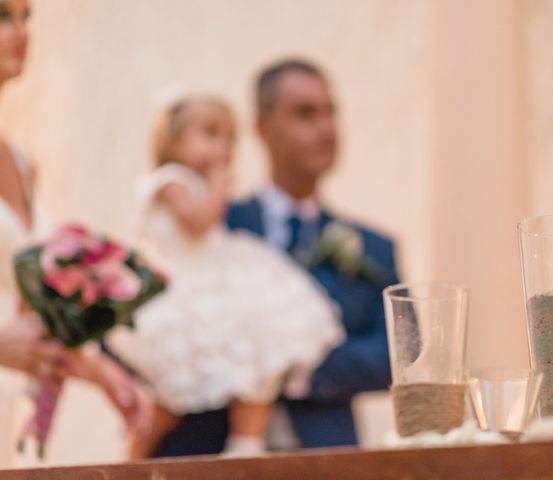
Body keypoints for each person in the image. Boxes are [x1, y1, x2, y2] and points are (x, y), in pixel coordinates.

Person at [153, 59, 400, 454]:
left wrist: (293, 365)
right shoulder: (215, 228)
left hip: (322, 458)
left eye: (330, 112)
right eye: (305, 113)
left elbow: (398, 353)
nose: (326, 128)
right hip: (204, 455)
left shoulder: (372, 247)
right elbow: (161, 310)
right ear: (263, 128)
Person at [107, 95, 343, 458]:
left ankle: (245, 442)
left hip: (212, 278)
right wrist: (219, 182)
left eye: (231, 138)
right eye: (211, 134)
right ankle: (129, 462)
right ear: (174, 140)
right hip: (180, 289)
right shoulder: (170, 182)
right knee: (167, 398)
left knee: (254, 358)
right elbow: (199, 222)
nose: (224, 147)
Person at [0, 0, 152, 466]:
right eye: (3, 16)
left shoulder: (21, 163)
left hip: (15, 403)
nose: (22, 30)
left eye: (28, 16)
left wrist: (103, 373)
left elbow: (31, 309)